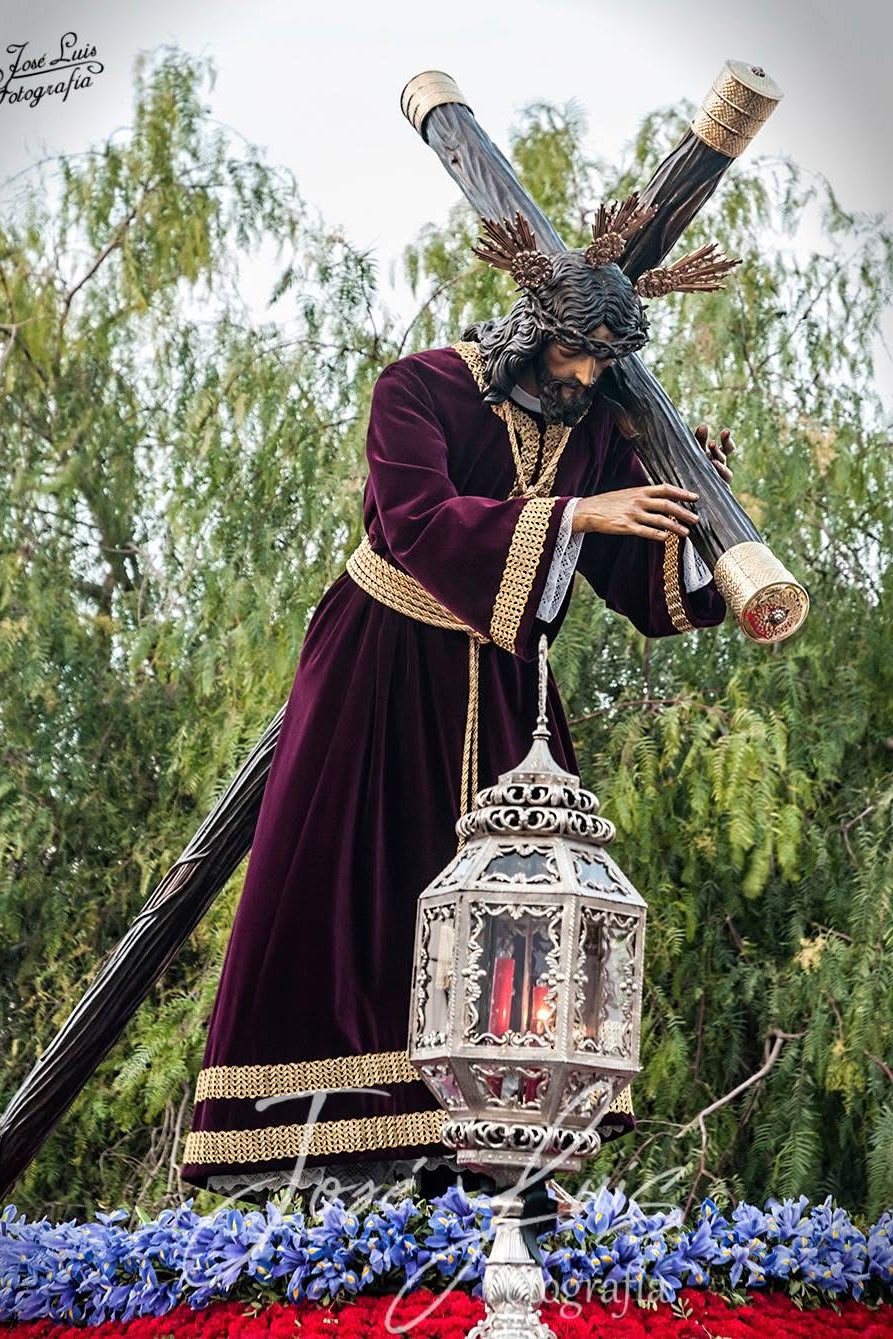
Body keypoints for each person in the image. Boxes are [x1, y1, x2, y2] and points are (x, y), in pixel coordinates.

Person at [179, 204, 736, 1206]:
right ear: (530, 327)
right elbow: (421, 522)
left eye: (602, 365)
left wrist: (682, 518)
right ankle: (326, 1156)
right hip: (381, 670)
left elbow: (627, 577)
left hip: (506, 692)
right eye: (572, 357)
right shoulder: (420, 387)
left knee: (517, 917)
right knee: (352, 885)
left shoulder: (596, 423)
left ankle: (497, 1139)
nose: (581, 380)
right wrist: (575, 509)